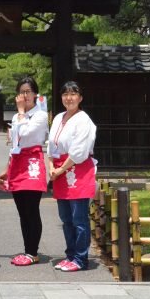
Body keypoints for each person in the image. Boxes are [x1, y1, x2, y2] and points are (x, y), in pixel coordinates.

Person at [0, 77, 48, 266]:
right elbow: (15, 144)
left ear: (35, 94)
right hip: (17, 163)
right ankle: (28, 250)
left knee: (32, 209)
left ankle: (33, 252)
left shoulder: (40, 115)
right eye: (22, 92)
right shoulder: (19, 117)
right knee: (22, 211)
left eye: (28, 91)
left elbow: (25, 134)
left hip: (32, 163)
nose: (24, 95)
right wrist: (6, 170)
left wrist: (19, 113)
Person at [47, 81, 97, 272]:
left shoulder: (84, 120)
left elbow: (78, 151)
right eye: (65, 94)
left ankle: (80, 259)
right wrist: (51, 165)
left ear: (80, 97)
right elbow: (52, 145)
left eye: (73, 93)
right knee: (66, 218)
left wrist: (59, 170)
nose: (69, 97)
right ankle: (70, 255)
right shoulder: (59, 117)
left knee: (79, 219)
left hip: (77, 170)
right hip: (59, 170)